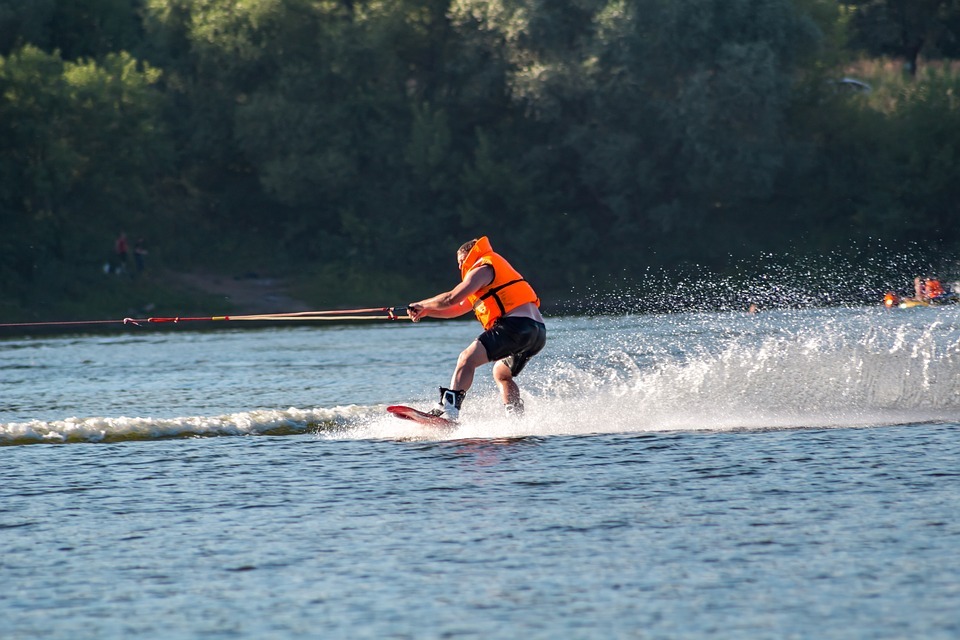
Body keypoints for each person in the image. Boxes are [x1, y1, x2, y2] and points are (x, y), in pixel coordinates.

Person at [408, 236, 547, 421]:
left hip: (516, 326)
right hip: (537, 333)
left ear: (471, 254)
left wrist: (421, 303)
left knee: (466, 359)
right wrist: (427, 311)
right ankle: (516, 418)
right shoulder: (489, 276)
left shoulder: (483, 268)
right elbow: (456, 308)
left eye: (461, 261)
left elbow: (451, 298)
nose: (460, 267)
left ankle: (449, 412)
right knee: (502, 374)